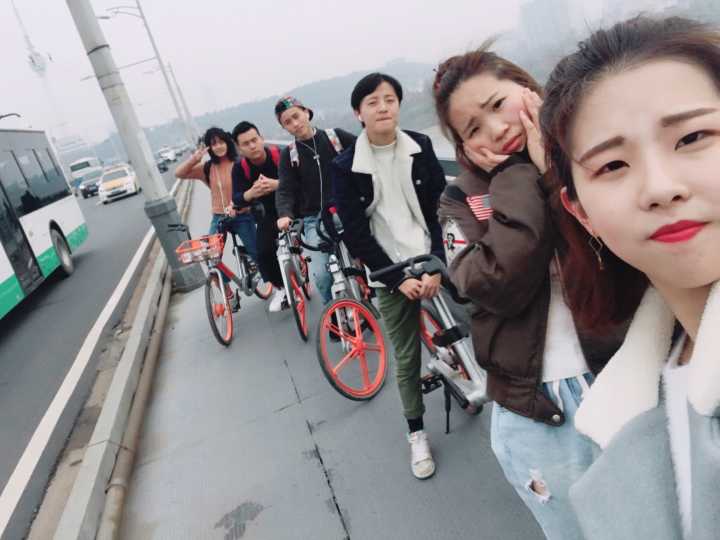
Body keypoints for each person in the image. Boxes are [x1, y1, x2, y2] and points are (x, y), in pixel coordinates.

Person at [432, 45, 625, 540]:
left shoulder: (594, 151)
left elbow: (621, 245)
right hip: (536, 406)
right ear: (462, 145)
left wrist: (555, 170)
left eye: (498, 104)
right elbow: (493, 285)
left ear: (526, 86)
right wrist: (518, 175)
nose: (497, 128)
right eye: (473, 128)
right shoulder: (460, 199)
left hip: (627, 376)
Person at [540, 15, 720, 540]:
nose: (660, 188)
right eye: (613, 166)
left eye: (693, 137)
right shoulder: (631, 402)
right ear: (582, 213)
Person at [331, 73, 447, 479]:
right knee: (406, 357)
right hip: (389, 271)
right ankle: (416, 433)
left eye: (389, 99)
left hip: (430, 257)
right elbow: (355, 233)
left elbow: (440, 207)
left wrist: (437, 260)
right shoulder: (345, 166)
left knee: (477, 323)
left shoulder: (421, 145)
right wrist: (396, 279)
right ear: (358, 113)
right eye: (373, 102)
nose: (383, 107)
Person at [274, 96, 356, 303]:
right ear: (284, 128)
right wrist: (284, 214)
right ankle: (334, 314)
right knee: (321, 275)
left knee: (371, 260)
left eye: (296, 116)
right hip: (315, 221)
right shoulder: (289, 155)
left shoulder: (335, 137)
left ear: (307, 112)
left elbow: (364, 152)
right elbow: (284, 190)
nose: (295, 123)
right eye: (287, 122)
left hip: (349, 210)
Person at [231, 121, 286, 312]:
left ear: (261, 138)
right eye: (246, 144)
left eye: (254, 140)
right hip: (267, 214)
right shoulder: (240, 168)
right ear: (239, 148)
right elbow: (237, 198)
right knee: (263, 252)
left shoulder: (281, 154)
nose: (252, 146)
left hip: (293, 207)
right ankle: (281, 288)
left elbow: (301, 180)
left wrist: (277, 184)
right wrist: (251, 193)